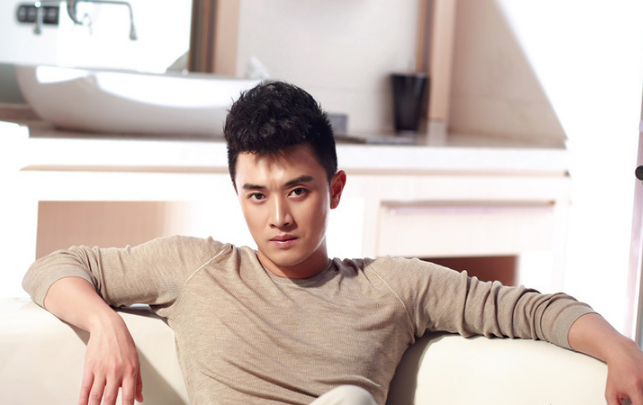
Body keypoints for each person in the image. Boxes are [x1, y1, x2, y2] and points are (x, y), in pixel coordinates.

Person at [23, 81, 643, 405]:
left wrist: (619, 348)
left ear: (335, 188)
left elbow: (529, 310)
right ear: (237, 193)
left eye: (298, 190)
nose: (278, 217)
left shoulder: (393, 287)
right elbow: (52, 267)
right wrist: (104, 323)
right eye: (256, 195)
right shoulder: (197, 267)